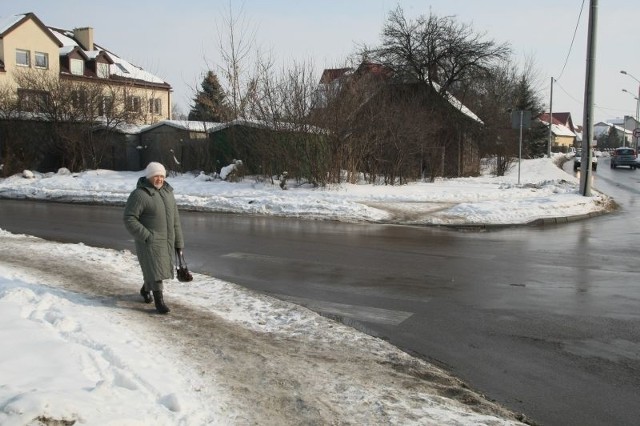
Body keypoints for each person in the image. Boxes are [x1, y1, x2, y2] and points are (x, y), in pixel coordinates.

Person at [123, 162, 185, 314]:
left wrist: (179, 242)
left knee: (157, 269)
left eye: (162, 176)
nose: (159, 179)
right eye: (156, 176)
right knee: (155, 270)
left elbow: (175, 219)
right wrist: (146, 236)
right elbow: (129, 218)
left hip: (167, 240)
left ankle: (145, 290)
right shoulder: (139, 195)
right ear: (149, 177)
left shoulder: (168, 193)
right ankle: (159, 301)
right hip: (148, 241)